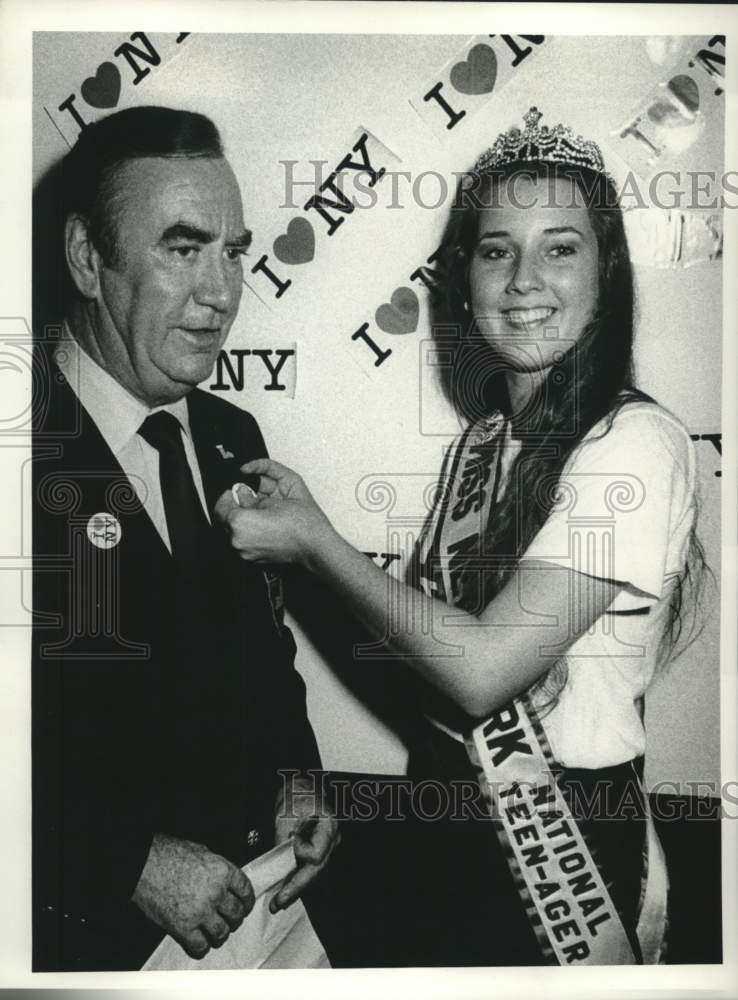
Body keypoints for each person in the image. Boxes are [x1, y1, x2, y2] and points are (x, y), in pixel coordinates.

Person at [216, 108, 706, 966]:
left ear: (606, 272)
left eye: (561, 247)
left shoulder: (635, 444)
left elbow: (480, 672)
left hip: (568, 850)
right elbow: (435, 677)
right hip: (447, 822)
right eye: (495, 249)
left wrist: (318, 546)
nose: (523, 279)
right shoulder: (481, 444)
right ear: (465, 277)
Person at [31, 106, 338, 972]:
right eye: (182, 248)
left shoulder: (234, 434)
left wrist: (297, 775)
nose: (223, 292)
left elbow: (260, 653)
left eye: (233, 251)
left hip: (269, 919)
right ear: (88, 259)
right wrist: (122, 860)